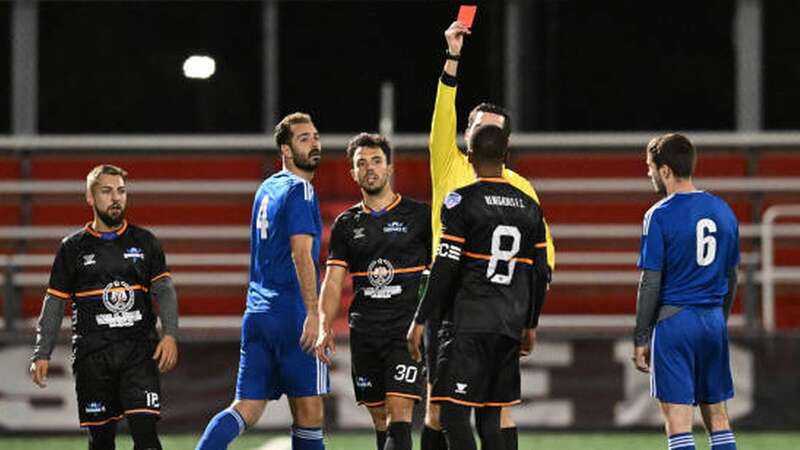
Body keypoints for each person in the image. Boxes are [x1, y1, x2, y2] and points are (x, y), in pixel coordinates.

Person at [419, 20, 556, 450]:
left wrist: (525, 312)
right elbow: (444, 109)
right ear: (467, 134)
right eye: (479, 128)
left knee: (470, 410)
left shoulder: (516, 185)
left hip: (475, 306)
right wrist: (452, 57)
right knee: (442, 410)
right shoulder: (451, 162)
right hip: (469, 304)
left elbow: (544, 258)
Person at [408, 124, 549, 450]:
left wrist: (419, 318)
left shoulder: (460, 201)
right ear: (507, 156)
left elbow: (445, 264)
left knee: (453, 417)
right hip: (509, 325)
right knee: (490, 417)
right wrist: (530, 324)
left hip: (467, 323)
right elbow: (540, 272)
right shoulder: (530, 207)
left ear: (469, 155)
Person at [196, 112, 328, 450]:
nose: (314, 143)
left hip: (257, 315)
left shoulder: (266, 188)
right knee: (310, 413)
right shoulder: (302, 191)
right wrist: (314, 314)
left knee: (246, 408)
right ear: (285, 149)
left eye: (315, 136)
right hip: (292, 315)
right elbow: (302, 254)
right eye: (304, 139)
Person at [29, 164, 179, 450]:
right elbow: (54, 303)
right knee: (101, 442)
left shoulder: (145, 242)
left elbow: (165, 290)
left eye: (121, 191)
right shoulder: (72, 248)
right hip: (92, 358)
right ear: (89, 197)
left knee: (147, 438)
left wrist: (170, 333)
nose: (116, 198)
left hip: (138, 352)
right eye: (107, 191)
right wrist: (42, 352)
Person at [315, 133, 431, 450]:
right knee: (380, 419)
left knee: (399, 414)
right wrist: (325, 324)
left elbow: (442, 272)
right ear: (353, 173)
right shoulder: (346, 224)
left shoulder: (420, 217)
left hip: (405, 332)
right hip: (365, 332)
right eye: (361, 163)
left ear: (390, 168)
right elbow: (333, 280)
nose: (370, 168)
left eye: (376, 161)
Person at [632, 133, 740, 450]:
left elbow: (650, 281)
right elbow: (732, 275)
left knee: (679, 424)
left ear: (665, 170)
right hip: (712, 322)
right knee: (718, 418)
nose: (648, 173)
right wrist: (719, 319)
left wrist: (641, 336)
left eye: (650, 167)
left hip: (675, 323)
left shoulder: (659, 214)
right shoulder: (723, 210)